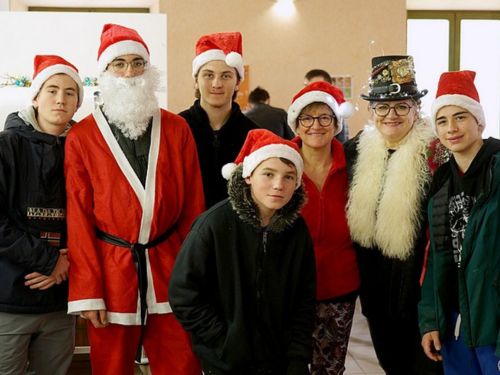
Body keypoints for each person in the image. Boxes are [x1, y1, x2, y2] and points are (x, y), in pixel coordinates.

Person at [64, 23, 204, 375]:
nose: (130, 72)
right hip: (111, 271)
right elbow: (78, 218)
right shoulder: (81, 137)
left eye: (138, 63)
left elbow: (193, 208)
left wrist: (197, 276)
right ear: (105, 72)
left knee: (181, 364)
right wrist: (88, 291)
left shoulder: (177, 128)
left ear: (149, 69)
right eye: (120, 64)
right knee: (111, 367)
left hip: (170, 264)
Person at [169, 128, 316, 375]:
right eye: (268, 174)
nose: (278, 185)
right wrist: (224, 343)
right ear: (248, 175)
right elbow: (183, 294)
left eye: (289, 177)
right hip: (226, 360)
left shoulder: (296, 229)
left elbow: (304, 299)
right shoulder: (214, 224)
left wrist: (298, 357)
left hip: (279, 360)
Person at [344, 55, 443, 375]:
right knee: (391, 364)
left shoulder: (436, 154)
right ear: (372, 112)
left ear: (417, 108)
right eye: (382, 107)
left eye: (402, 105)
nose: (392, 115)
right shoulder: (358, 151)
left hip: (422, 295)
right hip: (375, 291)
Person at [0, 55, 83, 375]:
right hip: (10, 299)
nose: (60, 99)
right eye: (52, 90)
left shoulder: (84, 151)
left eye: (70, 92)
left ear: (78, 103)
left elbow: (94, 217)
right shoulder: (6, 146)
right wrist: (49, 261)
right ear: (34, 96)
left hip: (61, 302)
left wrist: (68, 260)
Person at [419, 70, 500, 374]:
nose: (451, 128)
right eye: (442, 120)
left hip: (493, 319)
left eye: (461, 117)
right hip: (454, 323)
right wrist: (431, 319)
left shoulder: (497, 169)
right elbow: (435, 257)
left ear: (480, 121)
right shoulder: (441, 181)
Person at [287, 81, 359, 374]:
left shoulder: (355, 165)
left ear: (336, 123)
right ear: (296, 124)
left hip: (339, 285)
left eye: (324, 117)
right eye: (307, 117)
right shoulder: (282, 164)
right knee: (288, 364)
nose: (315, 125)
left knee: (330, 367)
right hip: (288, 286)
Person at [180, 31, 258, 209]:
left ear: (238, 82)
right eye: (208, 75)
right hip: (187, 233)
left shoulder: (253, 135)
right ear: (196, 80)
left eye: (226, 76)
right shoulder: (178, 128)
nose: (216, 84)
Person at [304, 69, 349, 143]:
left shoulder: (336, 111)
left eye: (317, 86)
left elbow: (341, 142)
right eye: (307, 87)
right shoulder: (301, 110)